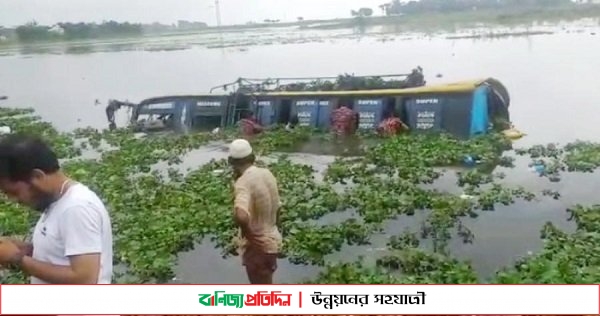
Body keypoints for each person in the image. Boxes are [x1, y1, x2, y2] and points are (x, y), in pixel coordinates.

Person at [0, 134, 113, 284]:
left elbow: (85, 279)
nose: (14, 200)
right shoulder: (57, 201)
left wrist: (17, 259)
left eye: (14, 192)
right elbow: (60, 254)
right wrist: (25, 250)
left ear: (37, 176)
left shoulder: (76, 207)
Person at [228, 139, 282, 284]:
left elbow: (241, 216)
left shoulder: (243, 182)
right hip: (273, 239)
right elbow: (278, 208)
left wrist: (249, 236)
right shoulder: (267, 173)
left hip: (258, 247)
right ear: (252, 157)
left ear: (232, 161)